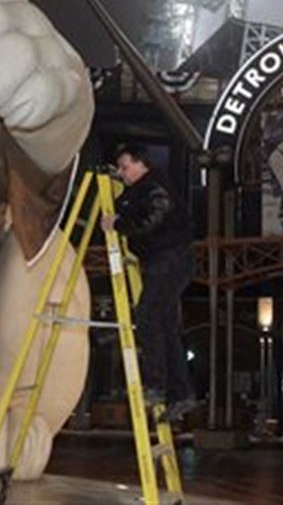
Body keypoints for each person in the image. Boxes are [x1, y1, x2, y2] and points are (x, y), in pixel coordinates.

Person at [100, 143, 197, 422]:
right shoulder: (144, 188)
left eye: (126, 167)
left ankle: (156, 385)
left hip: (169, 258)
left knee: (147, 318)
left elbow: (152, 217)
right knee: (165, 326)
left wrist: (118, 224)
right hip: (167, 259)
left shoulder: (153, 186)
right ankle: (181, 393)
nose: (123, 173)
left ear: (142, 164)